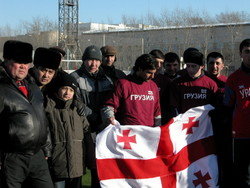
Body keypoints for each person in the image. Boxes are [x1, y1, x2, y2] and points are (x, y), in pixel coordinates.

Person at [0, 40, 53, 188]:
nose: (23, 66)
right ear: (6, 61)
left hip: (37, 156)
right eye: (19, 62)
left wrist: (46, 146)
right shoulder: (2, 88)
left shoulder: (33, 86)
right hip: (12, 159)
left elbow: (42, 117)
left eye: (27, 62)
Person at [71, 45, 114, 188]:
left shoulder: (107, 80)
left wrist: (103, 119)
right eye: (90, 60)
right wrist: (92, 116)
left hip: (101, 128)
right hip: (82, 127)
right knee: (78, 165)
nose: (93, 64)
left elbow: (110, 102)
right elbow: (76, 102)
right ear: (84, 60)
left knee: (99, 166)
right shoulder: (75, 78)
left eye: (96, 60)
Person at [44, 73, 89, 188]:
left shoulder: (78, 110)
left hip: (77, 164)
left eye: (71, 90)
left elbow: (87, 130)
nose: (67, 93)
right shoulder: (48, 108)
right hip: (57, 163)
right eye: (64, 88)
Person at [101, 53, 161, 127]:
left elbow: (157, 113)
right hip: (128, 133)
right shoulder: (123, 84)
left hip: (147, 133)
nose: (152, 76)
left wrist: (158, 128)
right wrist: (110, 119)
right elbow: (109, 106)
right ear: (139, 68)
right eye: (149, 73)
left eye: (154, 73)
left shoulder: (153, 86)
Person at [223, 38, 250, 187]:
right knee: (242, 176)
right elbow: (228, 105)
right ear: (241, 54)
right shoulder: (233, 79)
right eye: (247, 52)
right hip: (241, 135)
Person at [170, 50, 218, 115]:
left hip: (204, 122)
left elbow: (216, 107)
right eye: (188, 66)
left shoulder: (210, 84)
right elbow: (174, 107)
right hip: (185, 122)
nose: (190, 69)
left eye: (194, 66)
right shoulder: (178, 83)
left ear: (201, 66)